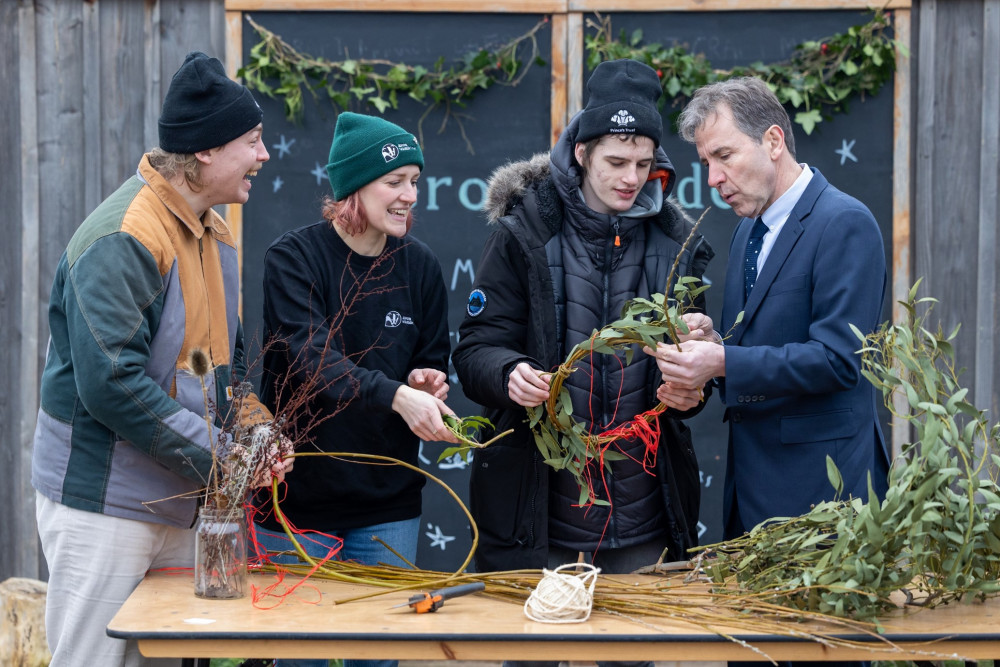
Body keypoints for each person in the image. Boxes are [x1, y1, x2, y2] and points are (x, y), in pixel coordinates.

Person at [31, 52, 292, 667]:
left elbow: (223, 372)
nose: (265, 154)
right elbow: (111, 386)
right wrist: (226, 460)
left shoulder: (214, 232)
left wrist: (256, 432)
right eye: (252, 141)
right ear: (205, 151)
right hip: (104, 507)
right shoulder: (125, 236)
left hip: (185, 501)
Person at [452, 59, 713, 667]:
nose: (631, 178)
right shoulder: (522, 232)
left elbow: (693, 369)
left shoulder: (676, 244)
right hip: (538, 520)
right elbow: (473, 350)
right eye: (616, 163)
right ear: (581, 153)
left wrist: (692, 381)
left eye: (644, 164)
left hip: (642, 523)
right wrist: (508, 372)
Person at [251, 112, 459, 667]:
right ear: (352, 189)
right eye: (394, 182)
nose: (409, 195)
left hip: (388, 506)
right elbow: (313, 361)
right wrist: (396, 394)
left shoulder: (420, 267)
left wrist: (425, 382)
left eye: (414, 181)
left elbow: (431, 359)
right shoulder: (294, 259)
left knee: (381, 657)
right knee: (303, 659)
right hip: (299, 507)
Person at [650, 75, 891, 544]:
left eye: (724, 156)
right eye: (705, 163)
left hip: (827, 504)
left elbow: (840, 360)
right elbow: (763, 349)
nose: (713, 179)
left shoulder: (845, 222)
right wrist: (713, 343)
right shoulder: (747, 231)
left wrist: (722, 360)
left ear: (774, 140)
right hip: (751, 496)